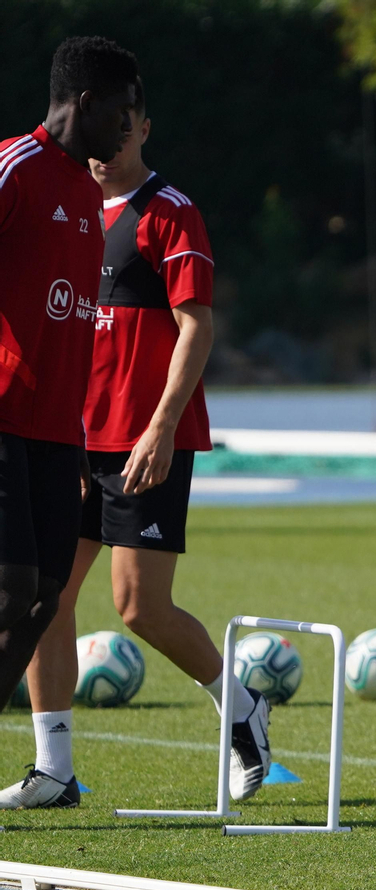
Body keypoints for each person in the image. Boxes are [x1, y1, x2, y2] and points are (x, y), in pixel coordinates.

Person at [23, 78, 279, 806]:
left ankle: (242, 706)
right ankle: (55, 769)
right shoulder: (66, 206)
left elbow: (195, 326)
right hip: (68, 441)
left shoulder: (170, 212)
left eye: (125, 128)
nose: (109, 146)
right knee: (49, 598)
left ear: (143, 130)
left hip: (147, 441)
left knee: (139, 607)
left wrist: (161, 428)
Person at [0, 38, 140, 810]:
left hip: (58, 434)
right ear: (85, 103)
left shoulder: (87, 194)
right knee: (10, 584)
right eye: (121, 112)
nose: (129, 128)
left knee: (43, 599)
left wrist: (81, 438)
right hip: (4, 418)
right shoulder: (15, 168)